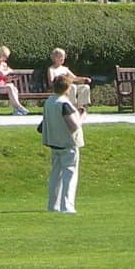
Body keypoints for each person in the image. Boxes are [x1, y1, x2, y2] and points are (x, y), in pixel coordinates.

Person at [40, 74, 86, 213]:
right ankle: (67, 206)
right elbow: (73, 126)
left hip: (54, 144)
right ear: (68, 88)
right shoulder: (64, 104)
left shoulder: (49, 101)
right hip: (68, 145)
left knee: (55, 175)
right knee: (69, 175)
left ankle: (52, 205)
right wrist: (82, 116)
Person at [0, 46, 30, 115]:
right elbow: (2, 73)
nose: (6, 59)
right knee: (10, 87)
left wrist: (12, 77)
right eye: (5, 56)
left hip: (3, 85)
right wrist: (8, 70)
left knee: (14, 88)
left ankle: (16, 110)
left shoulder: (4, 64)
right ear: (0, 55)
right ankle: (19, 107)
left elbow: (9, 72)